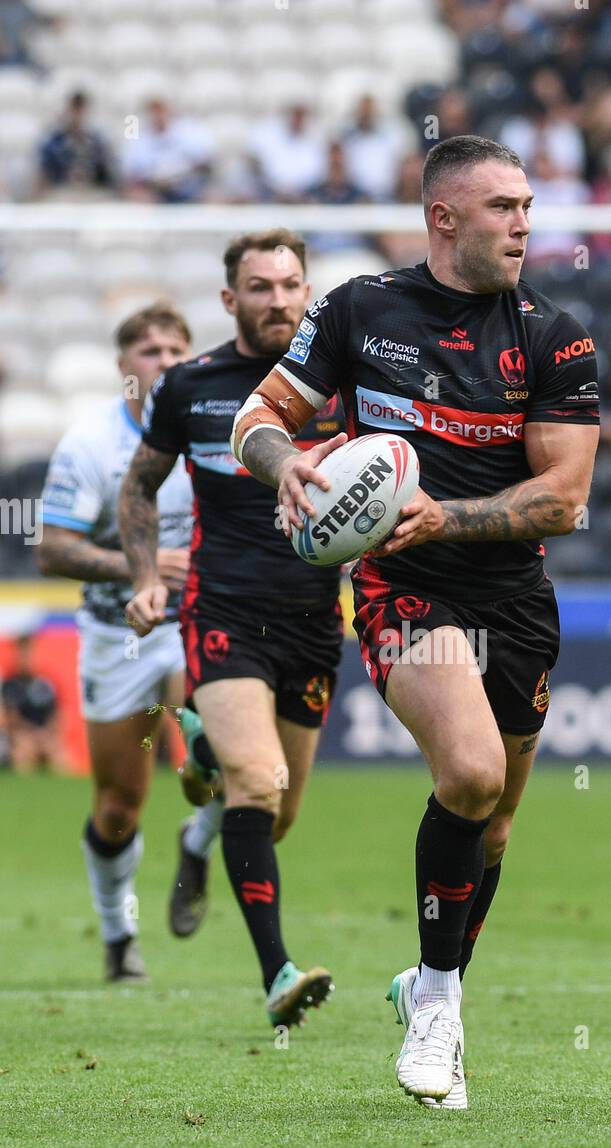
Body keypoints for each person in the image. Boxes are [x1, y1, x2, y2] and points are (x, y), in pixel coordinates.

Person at [231, 136, 600, 1108]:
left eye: (526, 205)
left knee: (498, 822)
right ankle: (438, 1004)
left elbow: (563, 498)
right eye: (500, 207)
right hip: (404, 584)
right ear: (443, 217)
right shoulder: (359, 308)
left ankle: (426, 978)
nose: (522, 222)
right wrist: (288, 468)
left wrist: (452, 513)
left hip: (511, 595)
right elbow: (258, 419)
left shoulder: (553, 336)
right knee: (470, 773)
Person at [118, 230, 345, 1033]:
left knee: (275, 815)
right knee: (259, 784)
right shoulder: (192, 386)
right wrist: (147, 578)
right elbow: (139, 490)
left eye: (290, 285)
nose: (278, 300)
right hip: (223, 615)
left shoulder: (341, 384)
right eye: (260, 287)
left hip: (316, 624)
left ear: (307, 293)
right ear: (230, 301)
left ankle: (197, 829)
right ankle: (277, 974)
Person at [37, 302, 206, 981]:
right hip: (117, 634)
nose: (163, 362)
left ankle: (200, 840)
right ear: (123, 367)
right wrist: (141, 568)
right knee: (116, 808)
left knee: (217, 758)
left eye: (174, 351)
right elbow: (51, 549)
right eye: (149, 352)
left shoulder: (219, 432)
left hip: (199, 627)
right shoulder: (89, 443)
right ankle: (118, 934)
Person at [0, 632, 59, 771]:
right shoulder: (10, 684)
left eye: (29, 654)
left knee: (59, 754)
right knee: (23, 753)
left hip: (45, 735)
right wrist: (32, 734)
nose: (26, 658)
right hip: (22, 736)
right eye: (22, 654)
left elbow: (57, 714)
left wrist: (47, 734)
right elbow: (10, 718)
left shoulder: (46, 684)